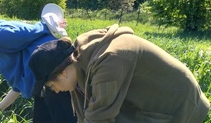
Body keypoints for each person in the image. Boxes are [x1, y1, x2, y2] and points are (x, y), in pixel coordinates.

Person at [29, 24, 210, 123]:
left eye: (51, 86)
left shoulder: (109, 60)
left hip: (181, 107)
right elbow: (86, 117)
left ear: (63, 73)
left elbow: (100, 119)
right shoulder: (78, 65)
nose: (56, 91)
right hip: (144, 108)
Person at [0, 3, 77, 123]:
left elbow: (27, 32)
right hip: (44, 81)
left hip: (54, 74)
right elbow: (18, 86)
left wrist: (48, 25)